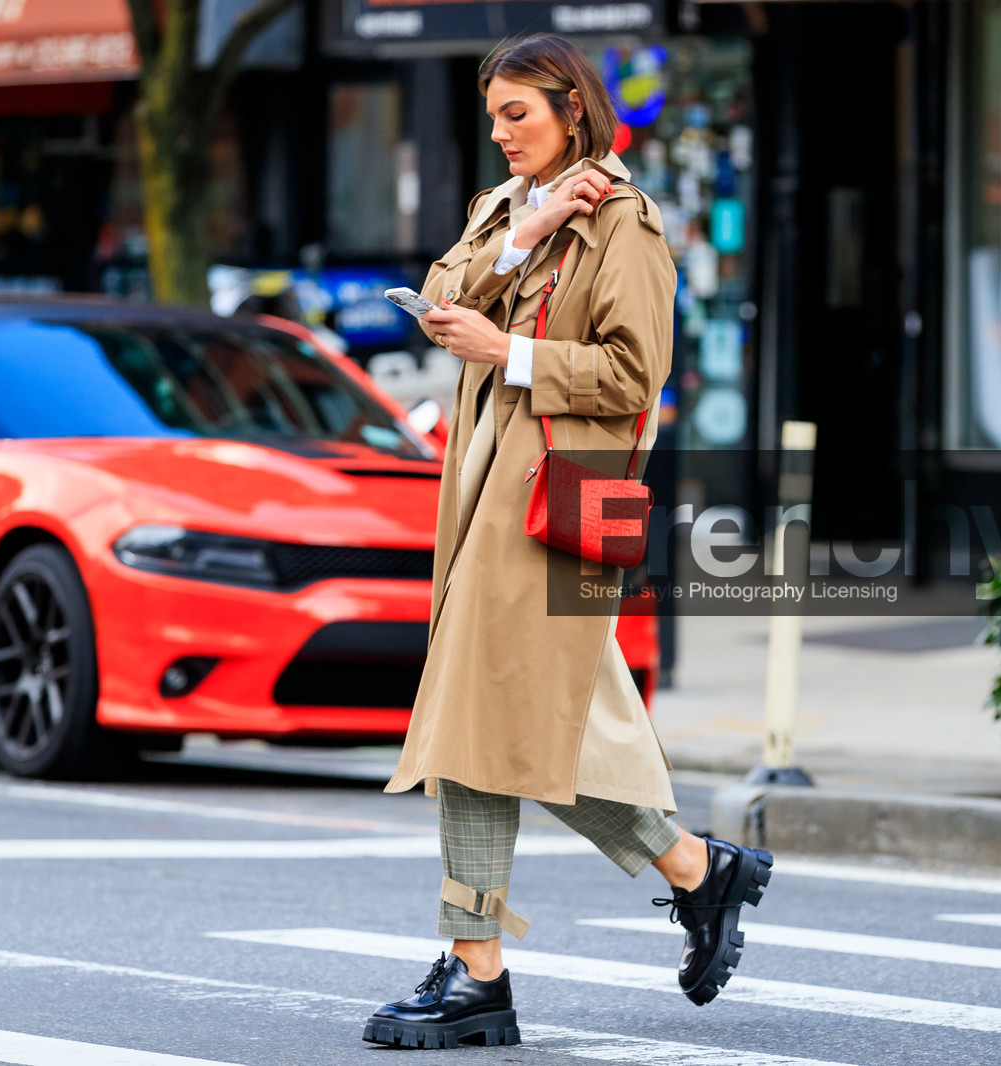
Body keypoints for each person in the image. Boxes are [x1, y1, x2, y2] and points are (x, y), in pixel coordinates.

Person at [362, 33, 772, 1051]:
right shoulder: (507, 210)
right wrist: (528, 226)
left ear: (572, 111)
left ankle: (476, 969)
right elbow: (442, 295)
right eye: (493, 115)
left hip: (562, 493)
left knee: (478, 721)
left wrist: (512, 353)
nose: (500, 134)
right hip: (488, 491)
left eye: (519, 115)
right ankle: (694, 871)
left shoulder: (627, 225)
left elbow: (636, 379)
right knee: (530, 724)